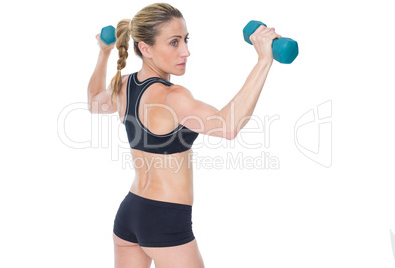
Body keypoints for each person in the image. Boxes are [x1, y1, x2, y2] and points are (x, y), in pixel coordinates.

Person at [87, 3, 281, 268]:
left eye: (185, 40)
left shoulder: (124, 86)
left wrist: (103, 53)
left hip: (130, 215)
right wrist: (263, 61)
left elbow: (94, 103)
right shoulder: (173, 96)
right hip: (164, 220)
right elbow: (228, 126)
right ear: (146, 48)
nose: (186, 51)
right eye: (174, 43)